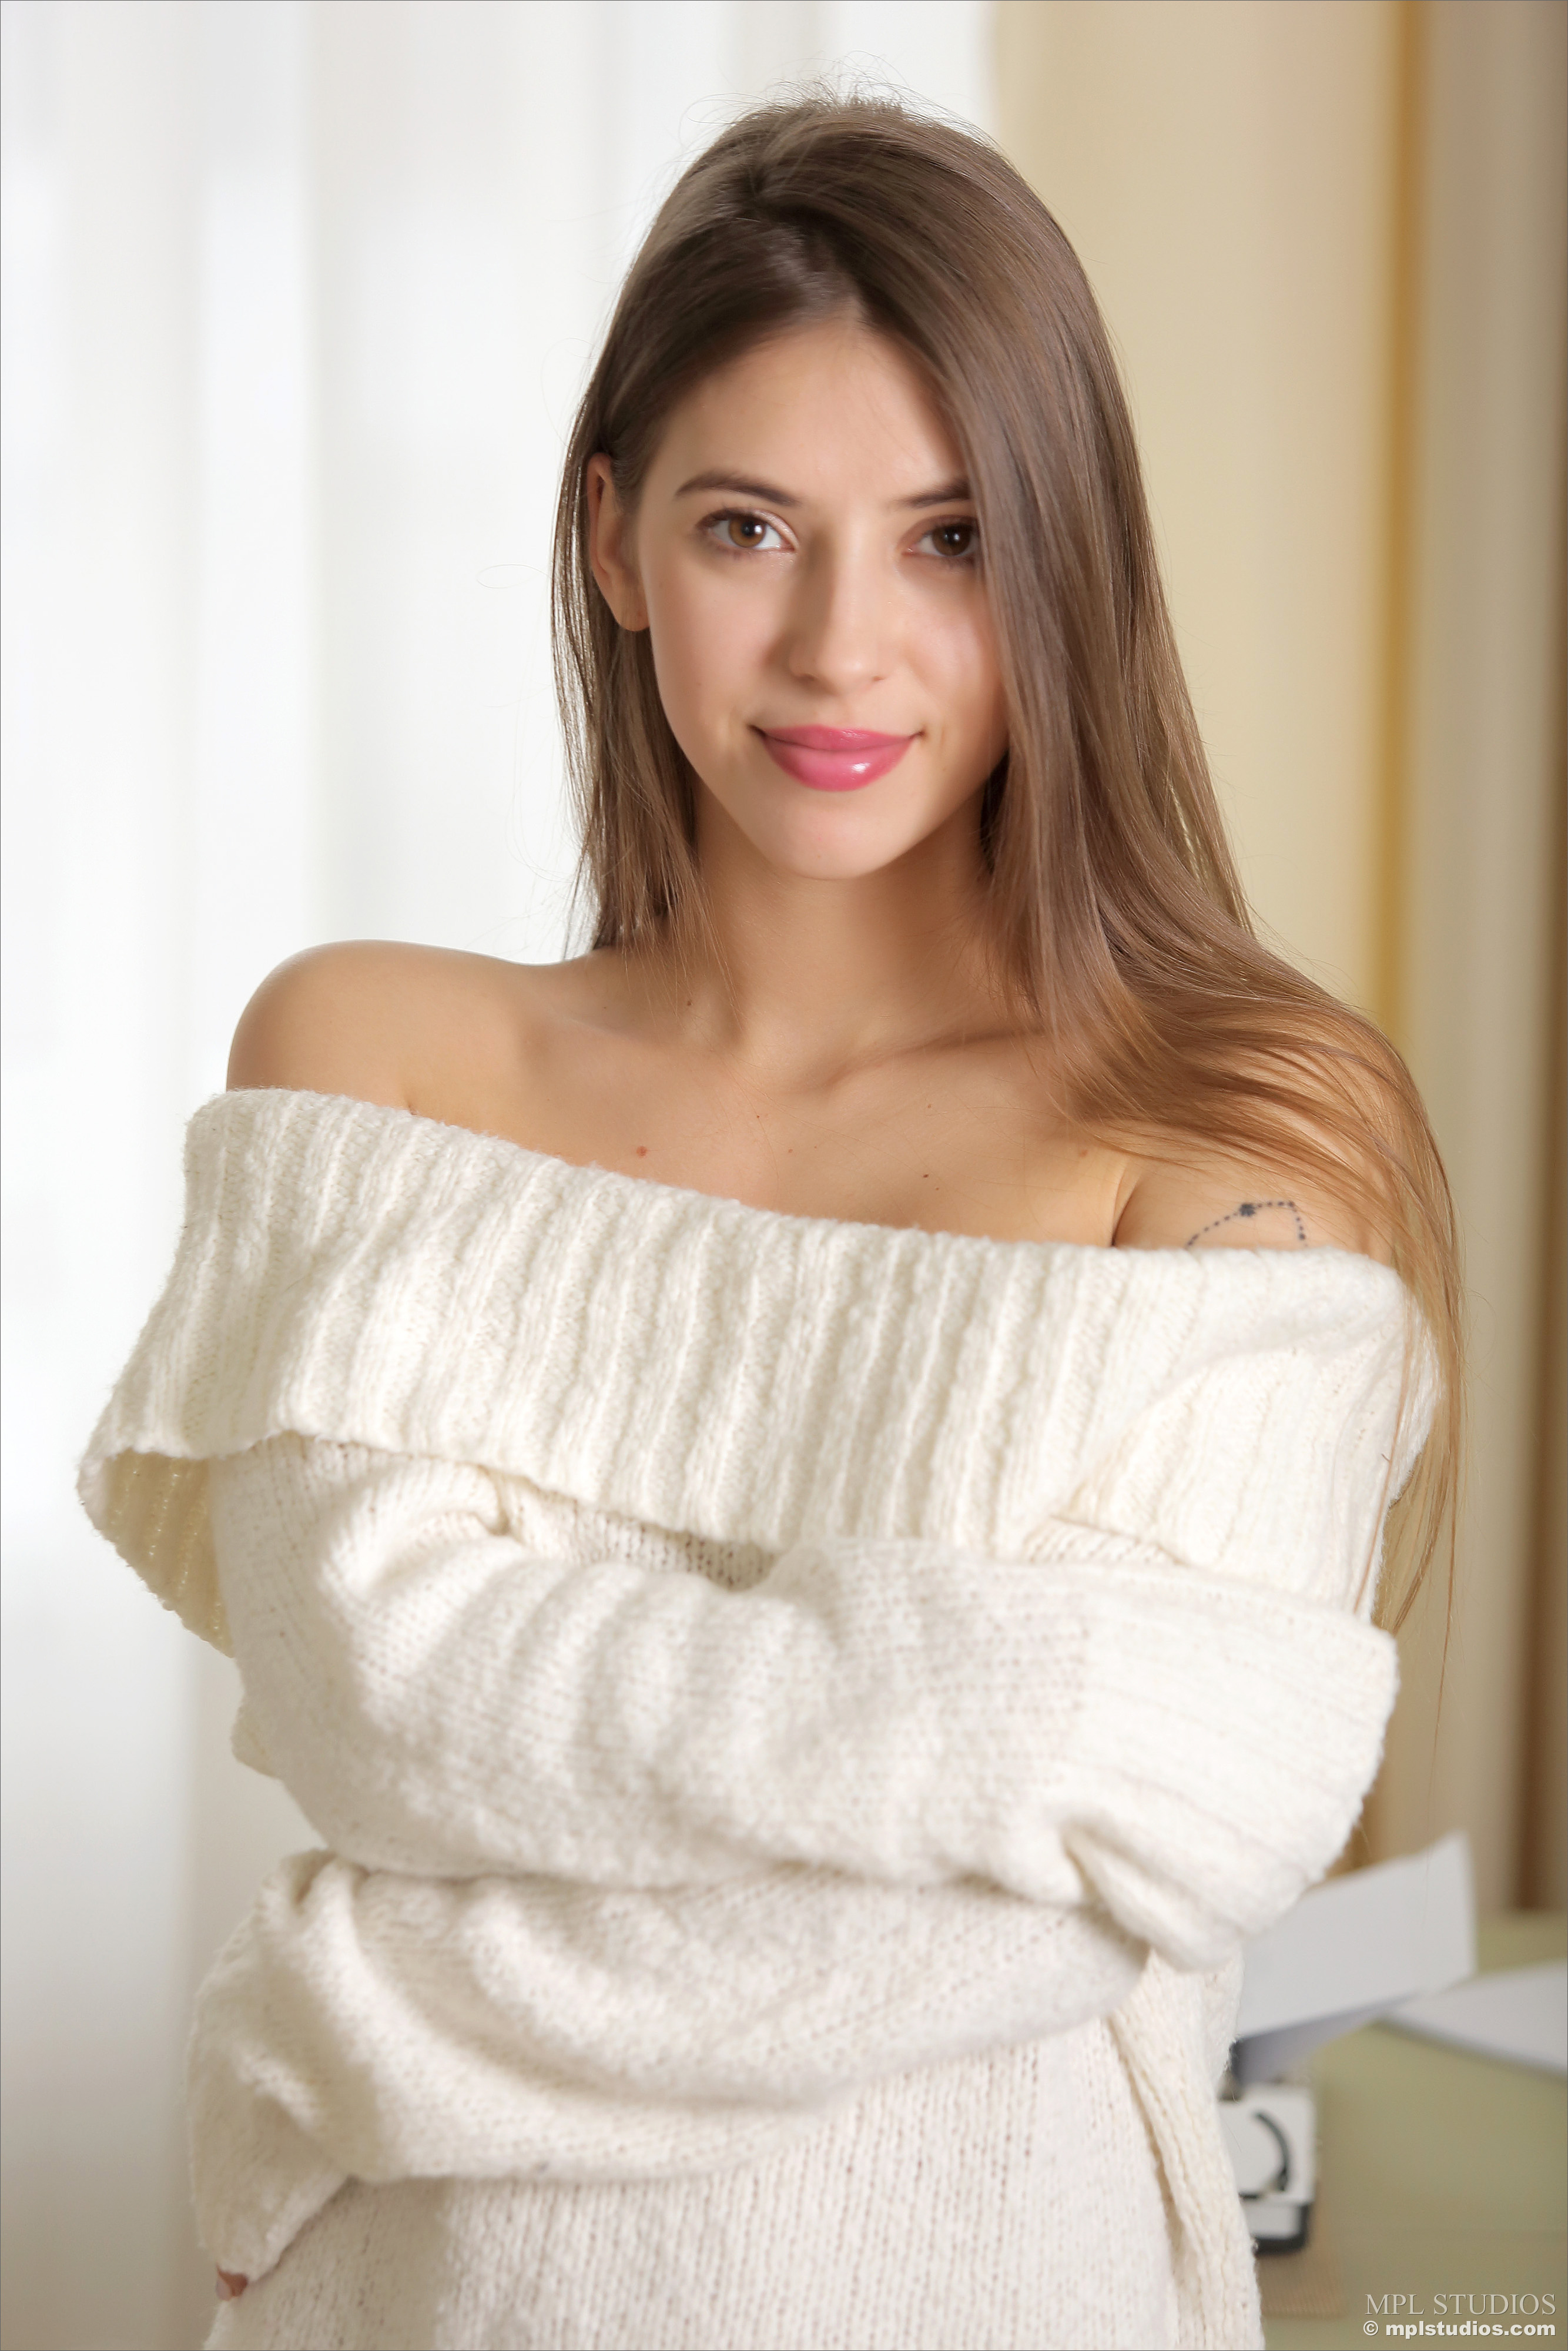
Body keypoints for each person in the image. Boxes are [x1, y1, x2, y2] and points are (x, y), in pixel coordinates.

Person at [79, 96, 1460, 2351]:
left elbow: (1184, 1820)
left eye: (949, 539)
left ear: (1067, 568)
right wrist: (997, 1715)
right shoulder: (365, 1062)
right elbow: (381, 1709)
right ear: (613, 539)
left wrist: (366, 2014)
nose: (841, 647)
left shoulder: (1238, 1128)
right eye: (750, 529)